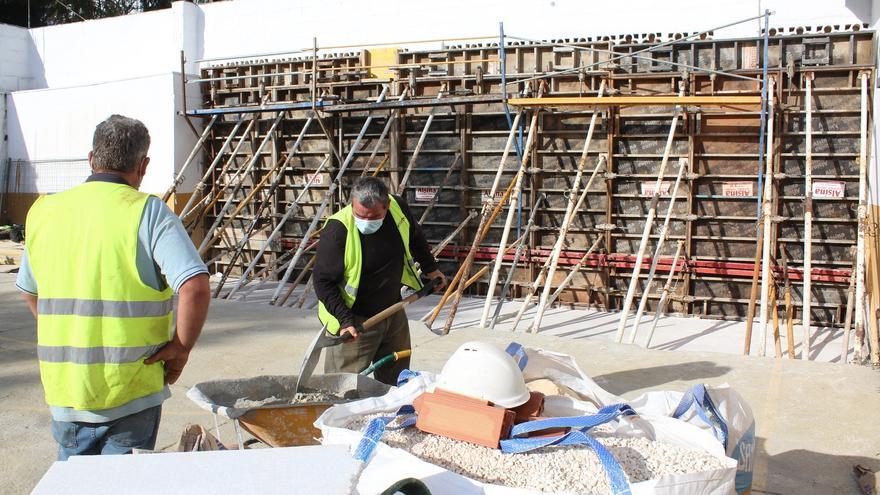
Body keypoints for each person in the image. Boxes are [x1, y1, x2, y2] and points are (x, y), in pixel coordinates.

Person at [16, 114, 211, 460]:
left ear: (91, 159)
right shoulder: (148, 212)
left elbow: (31, 292)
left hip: (67, 391)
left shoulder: (43, 211)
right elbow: (194, 285)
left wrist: (71, 330)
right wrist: (180, 347)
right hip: (132, 389)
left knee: (75, 483)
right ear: (144, 165)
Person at [313, 177, 448, 385]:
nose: (366, 222)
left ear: (387, 206)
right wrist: (345, 320)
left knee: (397, 380)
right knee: (343, 387)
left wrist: (431, 269)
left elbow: (415, 236)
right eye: (360, 215)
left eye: (374, 216)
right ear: (352, 205)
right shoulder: (338, 230)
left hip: (393, 311)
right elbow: (322, 282)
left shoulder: (398, 208)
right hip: (356, 322)